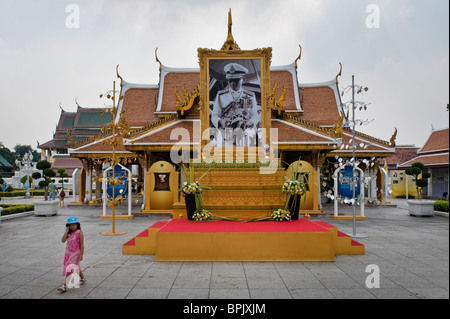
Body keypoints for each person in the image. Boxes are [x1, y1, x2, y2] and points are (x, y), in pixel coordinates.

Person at [210, 62, 260, 146]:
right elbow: (214, 115)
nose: (233, 84)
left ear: (242, 79)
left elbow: (255, 115)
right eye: (230, 81)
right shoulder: (221, 95)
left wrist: (251, 122)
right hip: (226, 132)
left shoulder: (250, 96)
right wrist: (221, 122)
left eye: (236, 80)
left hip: (245, 132)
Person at [58, 216, 86, 292]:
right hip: (68, 253)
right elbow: (63, 240)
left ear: (77, 225)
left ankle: (64, 285)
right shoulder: (68, 233)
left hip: (76, 253)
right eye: (70, 225)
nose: (72, 227)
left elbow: (82, 244)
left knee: (70, 268)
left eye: (73, 224)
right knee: (75, 266)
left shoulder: (79, 233)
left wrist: (81, 254)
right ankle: (83, 278)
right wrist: (66, 231)